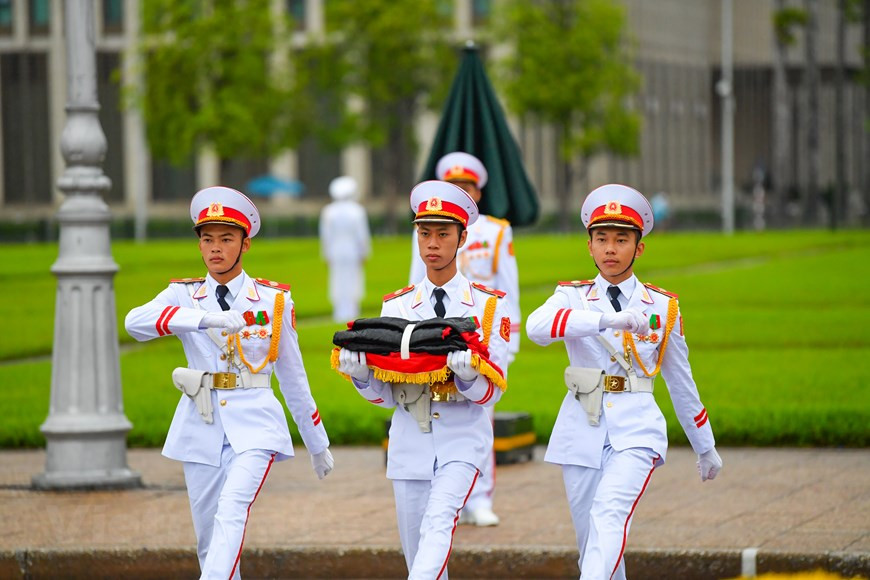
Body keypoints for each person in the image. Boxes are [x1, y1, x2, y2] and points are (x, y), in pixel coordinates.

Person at [125, 186, 334, 580]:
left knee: (232, 509)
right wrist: (202, 319)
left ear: (245, 243)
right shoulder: (185, 295)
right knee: (208, 538)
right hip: (200, 422)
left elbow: (293, 376)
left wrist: (316, 443)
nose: (215, 249)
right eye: (207, 239)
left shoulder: (273, 301)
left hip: (255, 420)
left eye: (226, 239)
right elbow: (134, 323)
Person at [525, 184, 722, 579]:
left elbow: (680, 381)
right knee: (593, 542)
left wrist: (706, 446)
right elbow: (536, 327)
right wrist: (604, 320)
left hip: (636, 428)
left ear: (639, 247)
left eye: (621, 239)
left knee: (609, 514)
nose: (610, 248)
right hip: (582, 426)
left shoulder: (662, 306)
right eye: (601, 239)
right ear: (589, 246)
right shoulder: (572, 296)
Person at [338, 180, 511, 579]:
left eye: (443, 233)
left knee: (437, 528)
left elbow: (490, 392)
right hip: (409, 441)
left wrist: (468, 378)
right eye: (424, 232)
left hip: (461, 437)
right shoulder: (396, 305)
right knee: (418, 552)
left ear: (462, 237)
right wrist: (362, 376)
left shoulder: (487, 307)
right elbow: (385, 398)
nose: (432, 243)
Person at [409, 151, 520, 526]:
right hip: (433, 328)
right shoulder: (428, 229)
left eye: (467, 187)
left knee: (481, 414)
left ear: (478, 191)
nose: (462, 192)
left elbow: (509, 287)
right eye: (454, 187)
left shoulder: (495, 231)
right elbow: (415, 278)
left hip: (482, 329)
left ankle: (480, 497)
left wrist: (511, 341)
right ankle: (443, 490)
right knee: (430, 409)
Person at [319, 176, 371, 322]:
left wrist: (326, 254)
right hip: (352, 250)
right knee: (353, 278)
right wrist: (365, 252)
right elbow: (362, 235)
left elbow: (326, 236)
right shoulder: (357, 211)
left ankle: (339, 311)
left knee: (337, 279)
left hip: (335, 250)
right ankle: (352, 310)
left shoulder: (328, 211)